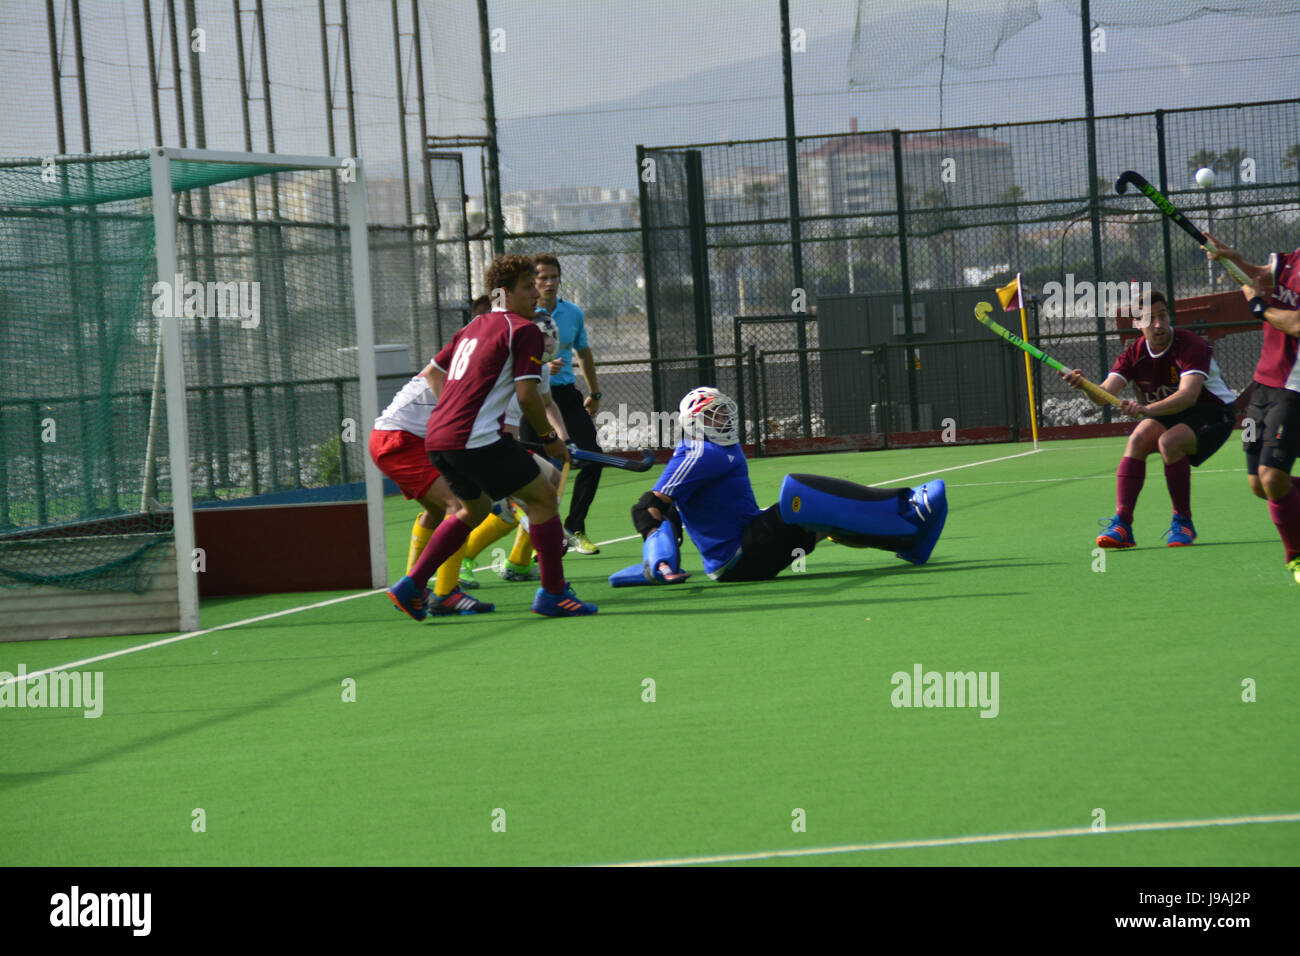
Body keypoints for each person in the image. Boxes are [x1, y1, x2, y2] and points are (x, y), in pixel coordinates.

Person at [385, 254, 597, 620]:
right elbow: (529, 396)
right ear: (504, 293)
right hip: (474, 439)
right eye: (528, 286)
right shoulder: (524, 330)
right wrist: (550, 439)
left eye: (536, 284)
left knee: (474, 508)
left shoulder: (474, 325)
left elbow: (434, 371)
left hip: (438, 438)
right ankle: (553, 593)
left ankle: (411, 585)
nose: (536, 293)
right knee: (545, 496)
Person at [610, 387, 948, 586]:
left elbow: (670, 504)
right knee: (799, 493)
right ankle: (905, 506)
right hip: (739, 558)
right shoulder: (699, 452)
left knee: (825, 520)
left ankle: (907, 540)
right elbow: (650, 505)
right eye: (714, 416)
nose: (724, 420)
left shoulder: (719, 448)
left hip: (744, 552)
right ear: (695, 422)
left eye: (724, 414)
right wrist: (660, 558)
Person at [1060, 290, 1236, 548]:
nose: (1159, 324)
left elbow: (1188, 396)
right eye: (1150, 318)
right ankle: (1122, 524)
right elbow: (1104, 394)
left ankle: (1183, 522)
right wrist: (1085, 386)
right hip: (1174, 412)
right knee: (1139, 438)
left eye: (1163, 316)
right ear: (1138, 324)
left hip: (1215, 412)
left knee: (1169, 442)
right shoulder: (1134, 353)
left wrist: (1146, 410)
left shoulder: (1191, 345)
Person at [367, 351, 494, 617]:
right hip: (400, 441)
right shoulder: (475, 364)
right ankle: (445, 594)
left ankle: (413, 589)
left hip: (400, 439)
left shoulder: (474, 359)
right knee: (461, 506)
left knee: (437, 512)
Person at [1204, 236, 1300, 584]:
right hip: (1261, 389)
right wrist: (1233, 259)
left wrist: (1259, 308)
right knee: (1257, 484)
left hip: (1294, 392)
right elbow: (1259, 277)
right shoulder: (1292, 260)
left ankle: (1296, 557)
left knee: (1273, 477)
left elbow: (1296, 325)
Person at [522, 253, 605, 554]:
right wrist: (543, 367)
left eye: (553, 277)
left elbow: (583, 353)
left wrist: (594, 394)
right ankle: (534, 541)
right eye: (542, 277)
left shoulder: (573, 313)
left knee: (593, 458)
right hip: (529, 398)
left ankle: (575, 527)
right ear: (532, 281)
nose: (549, 282)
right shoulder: (520, 315)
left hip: (566, 397)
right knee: (531, 471)